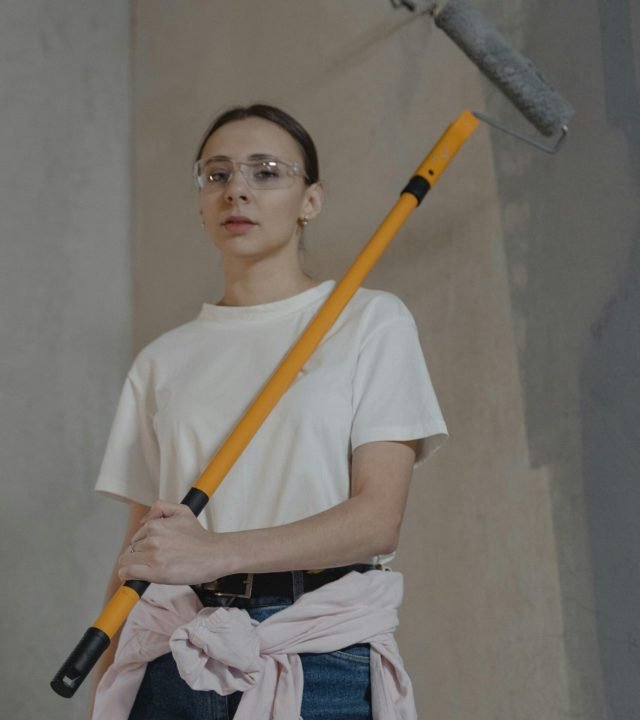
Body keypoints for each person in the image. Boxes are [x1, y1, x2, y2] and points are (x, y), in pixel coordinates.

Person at [89, 104, 448, 720]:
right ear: (201, 200)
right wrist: (106, 679)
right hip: (172, 655)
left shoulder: (368, 321)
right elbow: (144, 546)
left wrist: (217, 552)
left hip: (318, 654)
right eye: (218, 174)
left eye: (267, 172)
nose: (238, 191)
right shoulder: (161, 360)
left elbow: (376, 520)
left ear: (311, 200)